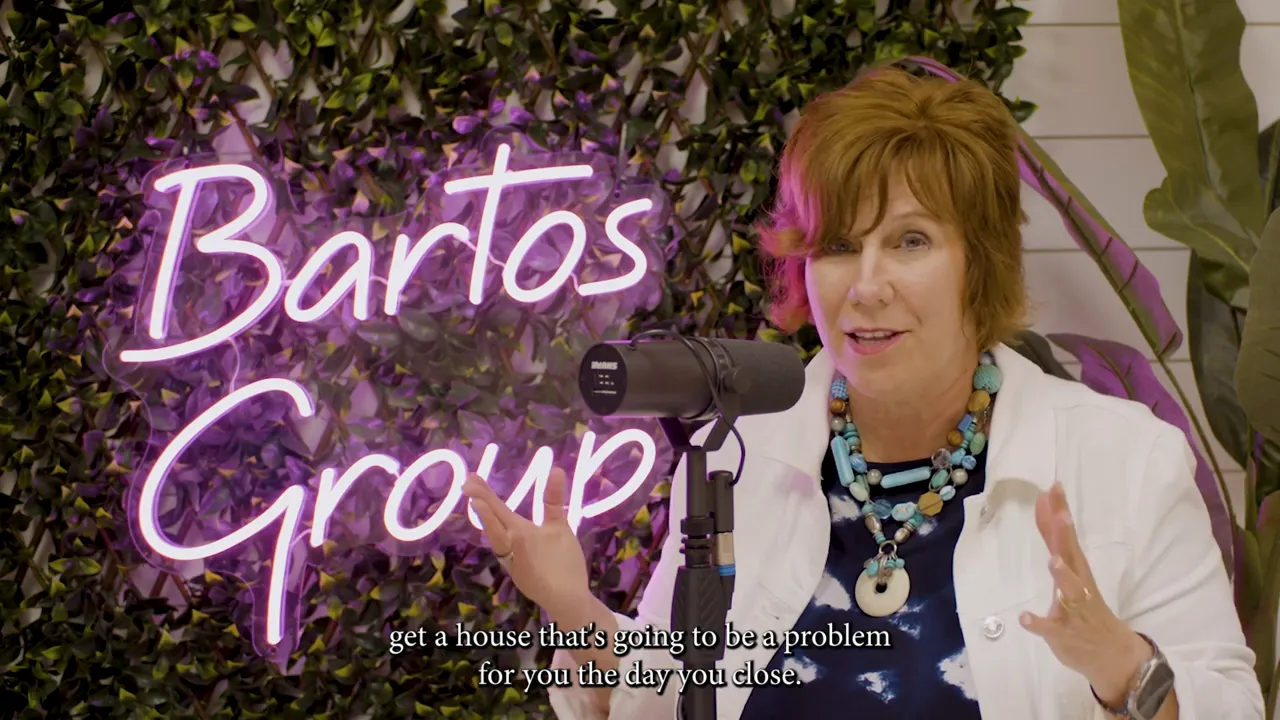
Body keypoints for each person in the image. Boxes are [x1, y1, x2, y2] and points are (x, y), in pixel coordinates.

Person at [462, 67, 1264, 719]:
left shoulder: (1127, 459)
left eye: (909, 241)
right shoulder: (735, 456)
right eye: (839, 245)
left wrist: (1124, 668)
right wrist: (574, 608)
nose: (866, 286)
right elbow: (674, 695)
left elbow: (1229, 704)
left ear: (977, 262)